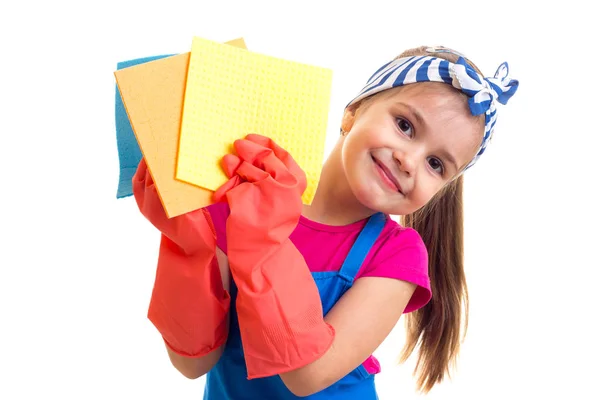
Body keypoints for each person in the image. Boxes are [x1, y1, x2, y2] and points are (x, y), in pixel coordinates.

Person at [132, 45, 519, 399]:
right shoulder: (243, 201)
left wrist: (262, 241)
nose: (409, 160)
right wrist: (190, 242)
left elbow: (307, 375)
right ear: (353, 112)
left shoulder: (397, 254)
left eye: (436, 164)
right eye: (405, 125)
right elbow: (192, 362)